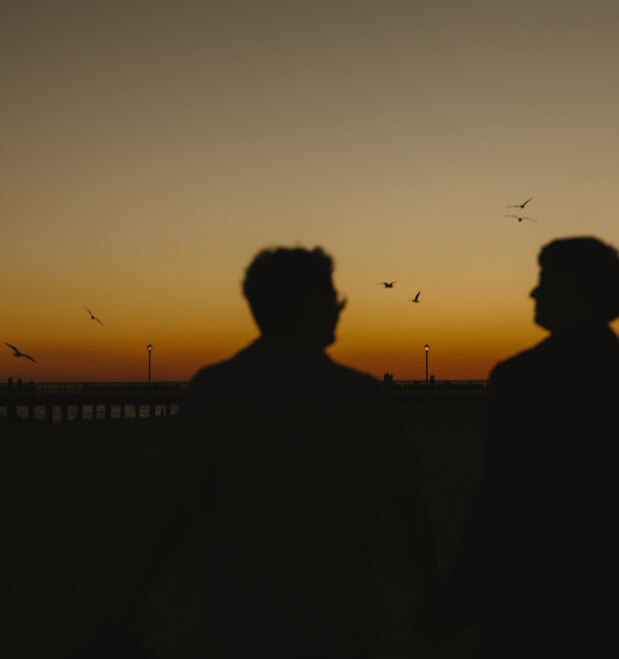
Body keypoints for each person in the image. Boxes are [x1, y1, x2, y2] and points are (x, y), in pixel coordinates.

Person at [107, 246, 436, 657]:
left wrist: (132, 597)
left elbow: (174, 509)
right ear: (313, 308)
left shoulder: (214, 390)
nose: (340, 308)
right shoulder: (361, 396)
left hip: (237, 613)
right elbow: (409, 509)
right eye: (332, 298)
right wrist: (434, 590)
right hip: (335, 613)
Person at [425, 236, 619, 658]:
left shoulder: (521, 378)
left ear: (579, 292)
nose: (534, 292)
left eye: (545, 280)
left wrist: (457, 600)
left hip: (532, 600)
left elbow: (499, 499)